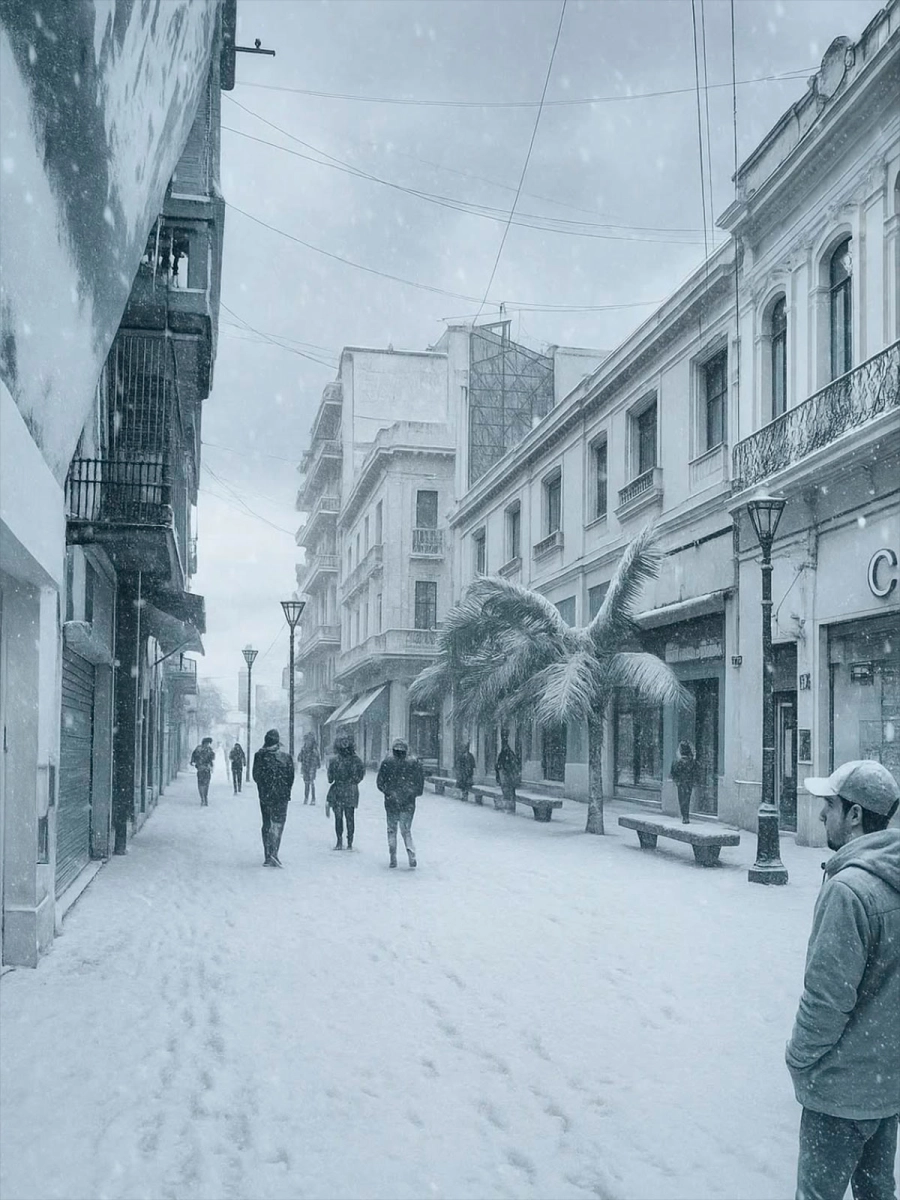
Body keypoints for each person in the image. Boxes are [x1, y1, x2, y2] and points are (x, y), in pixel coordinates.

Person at [785, 759, 900, 1200]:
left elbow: (826, 1001)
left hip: (838, 1094)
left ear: (854, 816)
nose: (820, 815)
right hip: (884, 1089)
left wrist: (799, 1059)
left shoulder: (849, 890)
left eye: (829, 805)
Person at [376, 738, 425, 869]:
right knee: (406, 830)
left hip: (391, 802)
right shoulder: (415, 764)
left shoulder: (387, 763)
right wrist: (410, 793)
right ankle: (411, 855)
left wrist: (389, 792)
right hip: (408, 803)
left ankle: (392, 856)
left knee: (391, 830)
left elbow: (380, 783)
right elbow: (420, 786)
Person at [251, 729, 295, 867]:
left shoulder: (259, 755)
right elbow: (291, 777)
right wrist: (285, 789)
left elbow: (256, 776)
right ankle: (274, 852)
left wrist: (265, 787)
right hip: (281, 795)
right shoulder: (286, 757)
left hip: (265, 795)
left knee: (267, 823)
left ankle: (268, 854)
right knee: (278, 823)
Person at [326, 730, 365, 850]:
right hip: (347, 790)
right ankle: (345, 841)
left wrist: (353, 781)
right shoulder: (355, 760)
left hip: (343, 790)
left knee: (345, 817)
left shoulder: (337, 760)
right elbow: (361, 774)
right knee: (346, 817)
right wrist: (354, 781)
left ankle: (344, 842)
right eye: (342, 741)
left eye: (346, 741)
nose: (344, 743)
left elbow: (330, 778)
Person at [670, 741, 701, 824]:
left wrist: (677, 780)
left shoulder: (677, 762)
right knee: (686, 798)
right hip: (688, 782)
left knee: (682, 799)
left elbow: (673, 772)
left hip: (681, 783)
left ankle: (685, 816)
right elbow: (696, 772)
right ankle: (685, 816)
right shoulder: (692, 762)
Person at [495, 729, 520, 813]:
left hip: (507, 777)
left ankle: (509, 807)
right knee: (508, 791)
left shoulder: (508, 754)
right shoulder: (505, 754)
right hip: (507, 777)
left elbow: (501, 766)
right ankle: (510, 807)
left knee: (508, 791)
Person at [190, 737, 216, 806]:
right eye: (207, 743)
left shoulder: (199, 749)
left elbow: (193, 757)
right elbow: (213, 757)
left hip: (203, 769)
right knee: (203, 784)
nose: (208, 744)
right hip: (204, 769)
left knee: (203, 784)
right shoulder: (207, 750)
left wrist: (193, 762)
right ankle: (203, 798)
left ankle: (204, 798)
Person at [298, 732, 321, 805]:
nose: (307, 742)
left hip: (311, 767)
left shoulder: (314, 750)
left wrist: (316, 764)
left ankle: (312, 798)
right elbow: (299, 758)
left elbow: (317, 758)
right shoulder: (304, 749)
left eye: (309, 740)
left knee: (311, 782)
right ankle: (306, 797)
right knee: (306, 783)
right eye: (306, 740)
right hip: (305, 767)